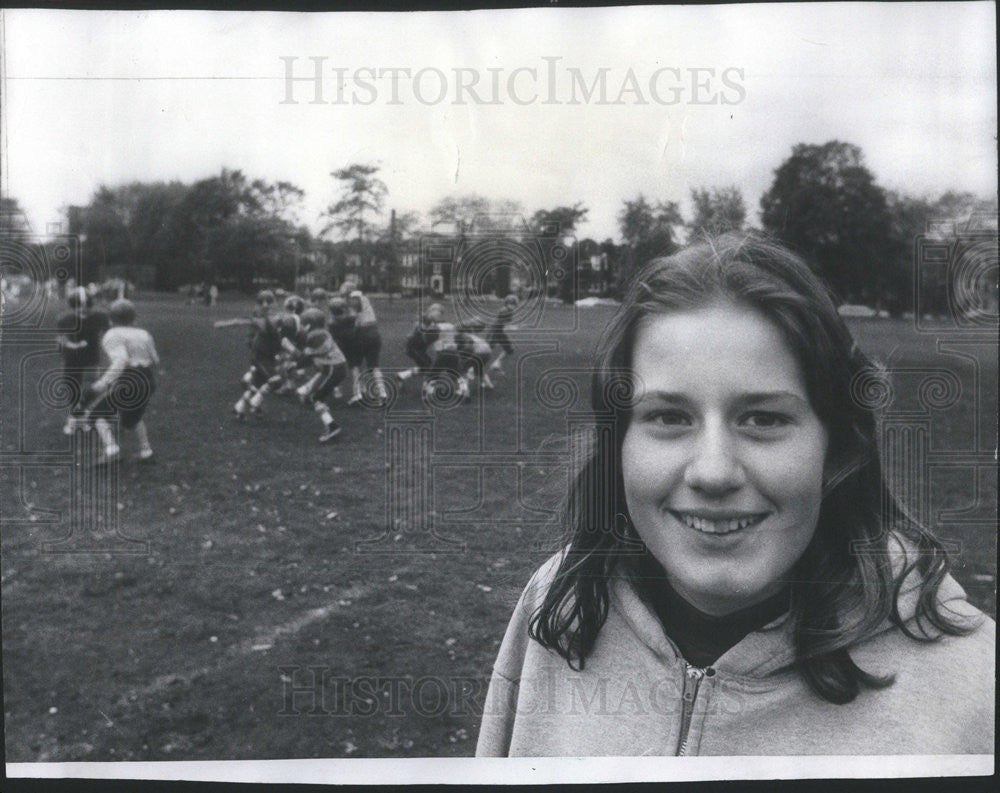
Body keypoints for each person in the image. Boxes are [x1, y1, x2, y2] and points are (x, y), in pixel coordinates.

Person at [476, 233, 994, 757]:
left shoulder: (970, 687)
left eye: (764, 418)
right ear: (619, 444)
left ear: (836, 446)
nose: (714, 472)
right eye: (669, 417)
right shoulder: (559, 602)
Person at [84, 299, 159, 466]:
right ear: (134, 318)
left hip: (129, 379)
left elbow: (121, 360)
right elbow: (155, 359)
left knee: (96, 414)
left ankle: (112, 450)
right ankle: (146, 451)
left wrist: (104, 382)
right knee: (134, 417)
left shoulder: (112, 334)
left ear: (111, 319)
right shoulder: (143, 333)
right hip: (148, 379)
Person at [55, 287, 110, 434]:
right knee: (72, 388)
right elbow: (61, 339)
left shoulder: (100, 317)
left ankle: (82, 417)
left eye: (86, 306)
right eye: (78, 306)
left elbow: (109, 335)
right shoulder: (65, 319)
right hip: (72, 359)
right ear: (72, 306)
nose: (83, 310)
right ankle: (75, 418)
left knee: (89, 390)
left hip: (92, 358)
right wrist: (73, 345)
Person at [292, 307, 347, 443]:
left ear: (309, 324)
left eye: (304, 324)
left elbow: (307, 358)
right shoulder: (322, 333)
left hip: (334, 369)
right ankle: (329, 421)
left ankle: (332, 427)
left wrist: (293, 363)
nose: (302, 327)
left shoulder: (314, 336)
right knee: (316, 398)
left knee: (317, 399)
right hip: (336, 368)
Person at [340, 281, 387, 406]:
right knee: (374, 365)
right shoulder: (364, 298)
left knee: (355, 364)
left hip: (362, 333)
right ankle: (382, 393)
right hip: (374, 333)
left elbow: (352, 317)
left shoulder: (353, 300)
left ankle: (358, 394)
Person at [487, 293, 518, 375]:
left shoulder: (509, 311)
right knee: (485, 351)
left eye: (514, 304)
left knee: (510, 349)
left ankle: (496, 364)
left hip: (499, 332)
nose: (513, 306)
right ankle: (471, 370)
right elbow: (501, 323)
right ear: (507, 304)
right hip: (495, 332)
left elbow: (504, 324)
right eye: (511, 304)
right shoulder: (504, 311)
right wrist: (512, 327)